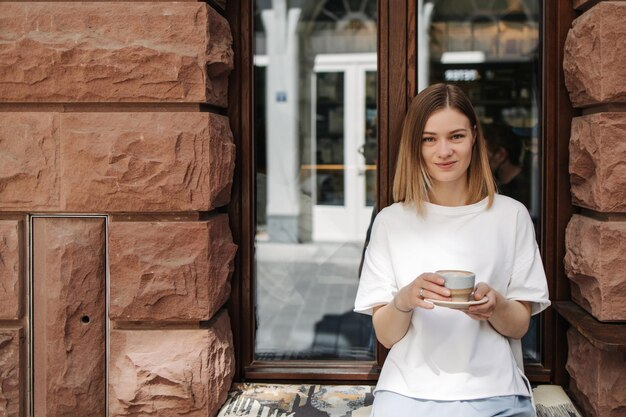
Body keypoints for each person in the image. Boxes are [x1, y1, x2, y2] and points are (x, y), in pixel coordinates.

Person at [354, 83, 550, 417]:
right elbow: (386, 336)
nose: (443, 151)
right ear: (415, 146)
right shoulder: (391, 222)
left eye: (456, 136)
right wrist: (404, 300)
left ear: (475, 137)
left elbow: (518, 325)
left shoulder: (511, 215)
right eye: (429, 139)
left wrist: (496, 305)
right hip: (406, 392)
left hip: (496, 390)